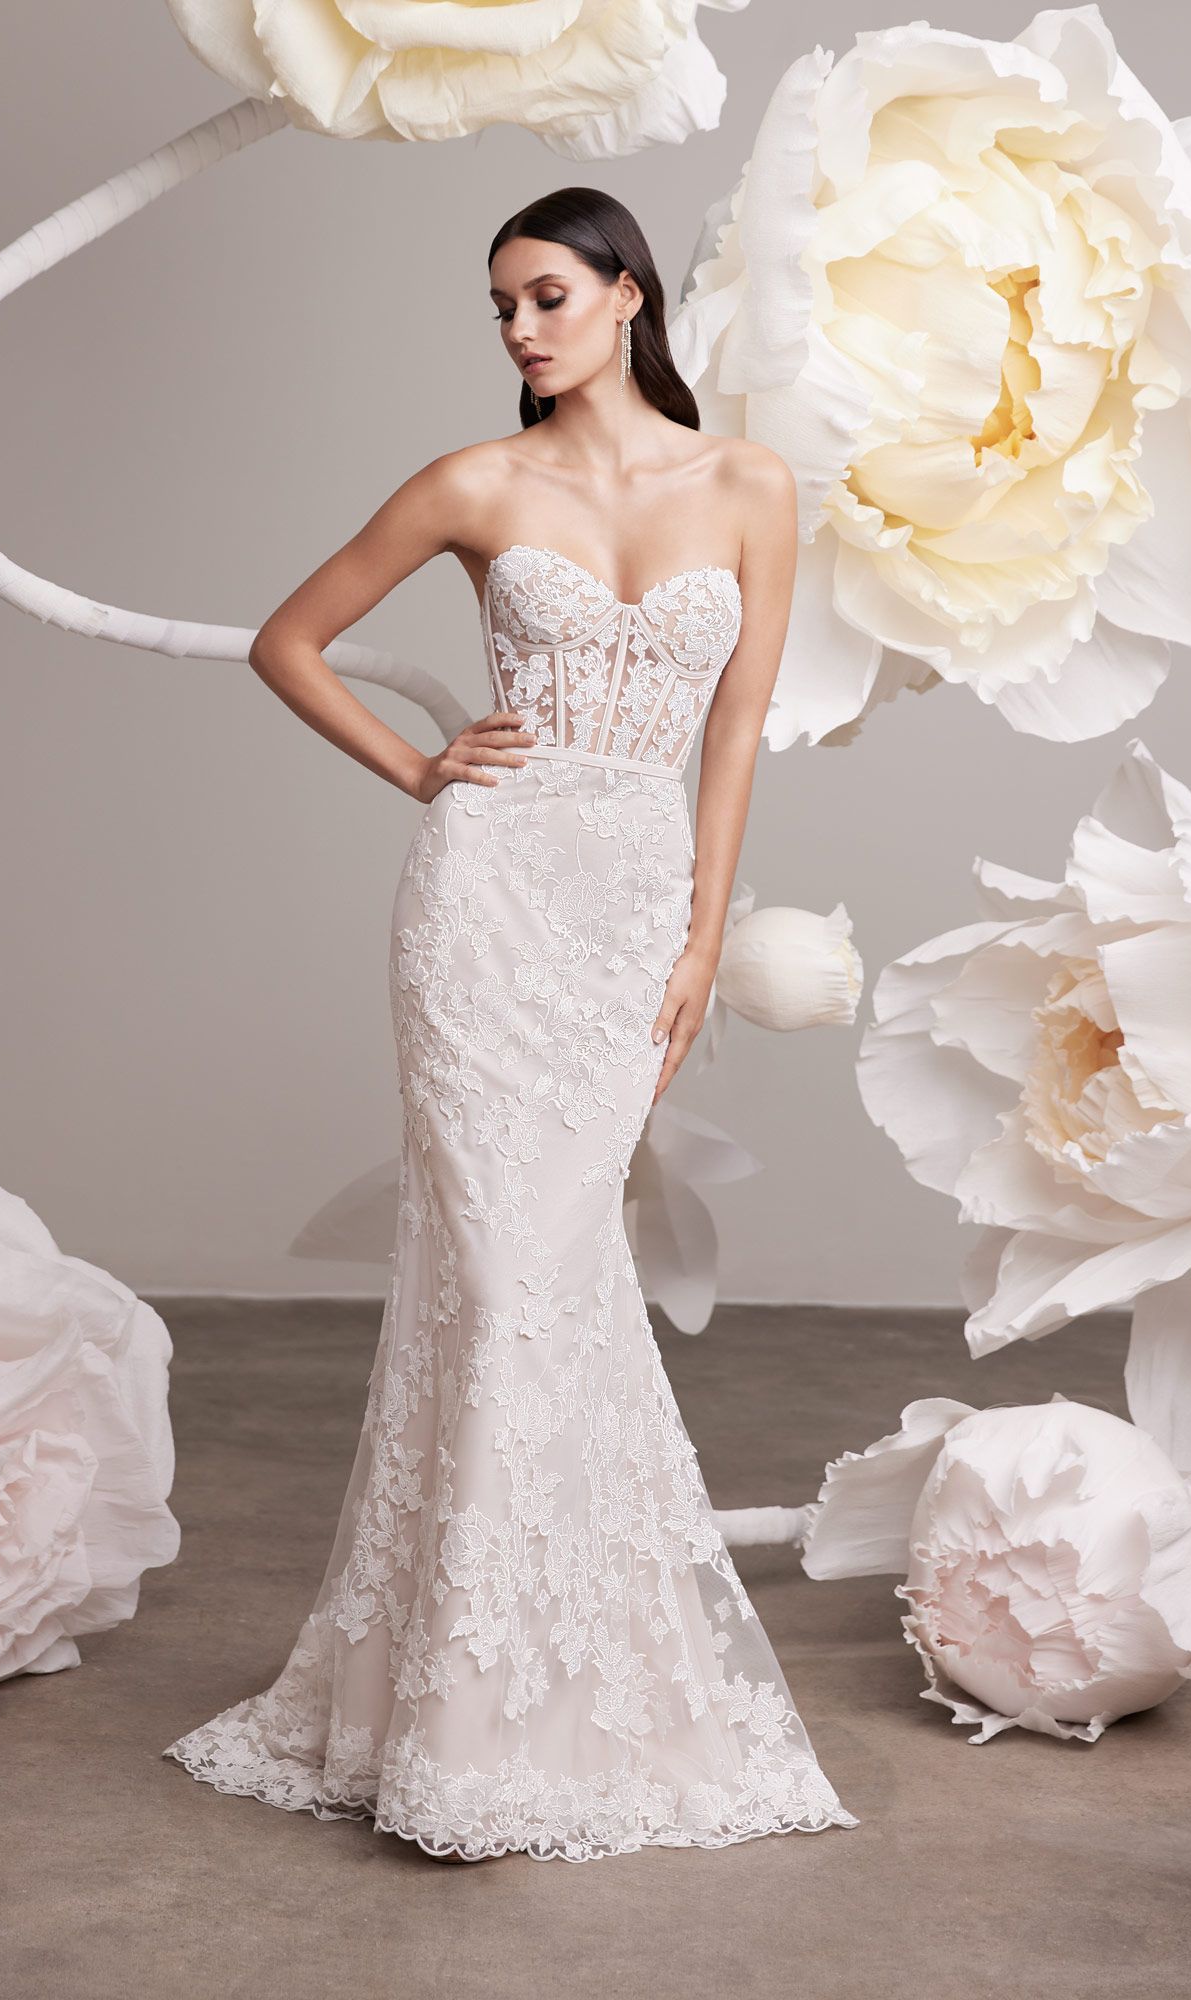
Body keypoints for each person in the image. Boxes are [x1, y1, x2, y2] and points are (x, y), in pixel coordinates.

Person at [162, 187, 858, 1864]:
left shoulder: (753, 486)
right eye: (499, 308)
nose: (519, 331)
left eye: (546, 295)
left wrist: (699, 941)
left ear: (625, 297)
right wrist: (419, 771)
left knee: (559, 1284)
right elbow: (289, 640)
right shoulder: (477, 483)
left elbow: (738, 731)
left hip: (625, 912)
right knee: (495, 1284)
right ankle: (462, 1719)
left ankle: (553, 1690)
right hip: (484, 908)